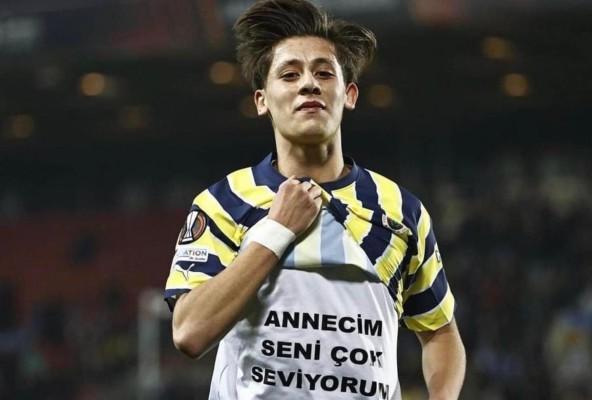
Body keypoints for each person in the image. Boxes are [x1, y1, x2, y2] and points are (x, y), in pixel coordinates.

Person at [163, 1, 466, 398]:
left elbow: (440, 332)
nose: (308, 83)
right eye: (290, 74)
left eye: (324, 72)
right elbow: (189, 332)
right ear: (261, 100)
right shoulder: (225, 202)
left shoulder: (399, 209)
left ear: (349, 94)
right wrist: (276, 231)